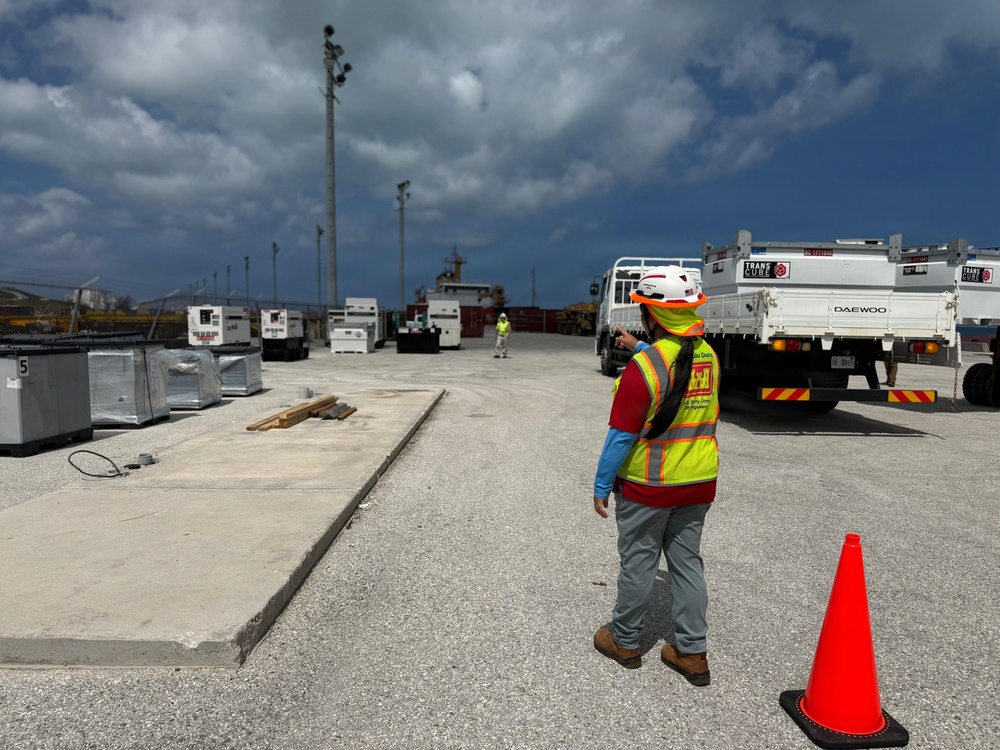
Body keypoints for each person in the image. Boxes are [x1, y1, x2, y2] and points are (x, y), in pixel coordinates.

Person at [591, 266, 720, 687]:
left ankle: (625, 641)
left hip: (649, 486)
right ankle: (692, 652)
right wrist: (642, 345)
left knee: (639, 564)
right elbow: (677, 360)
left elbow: (619, 438)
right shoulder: (709, 355)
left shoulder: (642, 368)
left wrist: (601, 486)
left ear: (650, 314)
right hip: (699, 481)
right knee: (687, 565)